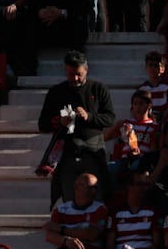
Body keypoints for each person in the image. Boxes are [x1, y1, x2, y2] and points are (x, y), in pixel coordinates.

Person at [37, 50, 116, 205]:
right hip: (68, 152)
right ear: (65, 70)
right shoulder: (56, 92)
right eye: (71, 74)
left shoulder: (98, 89)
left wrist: (89, 117)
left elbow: (110, 118)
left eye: (78, 74)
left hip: (93, 151)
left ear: (86, 69)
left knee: (97, 197)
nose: (75, 78)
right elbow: (43, 124)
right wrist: (60, 122)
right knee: (69, 198)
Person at [43, 172, 107, 249]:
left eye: (96, 188)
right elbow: (49, 236)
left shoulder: (100, 208)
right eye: (90, 187)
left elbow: (91, 234)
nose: (94, 191)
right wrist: (66, 241)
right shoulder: (61, 210)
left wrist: (61, 229)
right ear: (77, 188)